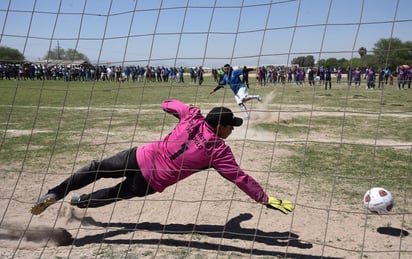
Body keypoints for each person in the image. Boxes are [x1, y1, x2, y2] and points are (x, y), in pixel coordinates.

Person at [30, 100, 294, 216]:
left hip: (140, 155)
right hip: (153, 180)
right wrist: (264, 198)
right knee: (114, 193)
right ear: (221, 127)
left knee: (96, 168)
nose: (233, 130)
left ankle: (56, 192)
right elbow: (240, 178)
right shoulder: (219, 151)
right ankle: (80, 201)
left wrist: (184, 111)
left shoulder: (193, 117)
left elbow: (167, 103)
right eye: (231, 126)